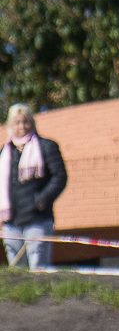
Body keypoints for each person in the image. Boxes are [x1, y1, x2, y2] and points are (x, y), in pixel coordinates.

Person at [1, 104, 67, 269]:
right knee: (17, 272)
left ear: (32, 123)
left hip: (38, 219)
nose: (21, 126)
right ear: (10, 125)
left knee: (39, 268)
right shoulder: (5, 152)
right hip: (11, 222)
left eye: (25, 122)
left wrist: (42, 199)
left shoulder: (46, 147)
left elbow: (60, 177)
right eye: (17, 123)